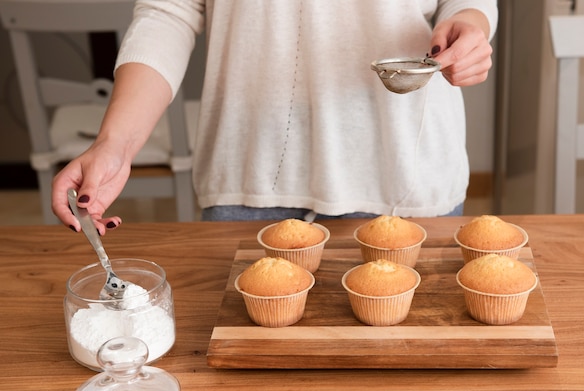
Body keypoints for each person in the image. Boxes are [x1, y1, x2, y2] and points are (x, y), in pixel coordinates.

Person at [52, 0, 498, 234]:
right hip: (249, 176)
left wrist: (470, 24)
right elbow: (169, 10)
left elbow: (467, 1)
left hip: (405, 174)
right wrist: (116, 143)